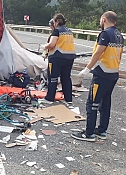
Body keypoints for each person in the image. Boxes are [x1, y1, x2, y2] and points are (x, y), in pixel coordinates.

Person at [71, 11, 124, 142]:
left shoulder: (105, 34)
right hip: (113, 74)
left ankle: (89, 133)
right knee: (105, 103)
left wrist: (87, 69)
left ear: (104, 20)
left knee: (92, 103)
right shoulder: (119, 35)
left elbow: (98, 53)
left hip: (102, 74)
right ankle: (102, 130)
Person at [38, 13, 76, 104]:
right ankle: (68, 99)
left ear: (57, 22)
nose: (54, 24)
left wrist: (44, 46)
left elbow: (52, 44)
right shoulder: (69, 31)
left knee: (53, 78)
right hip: (70, 57)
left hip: (57, 57)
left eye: (54, 22)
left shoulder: (57, 31)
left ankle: (49, 98)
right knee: (66, 78)